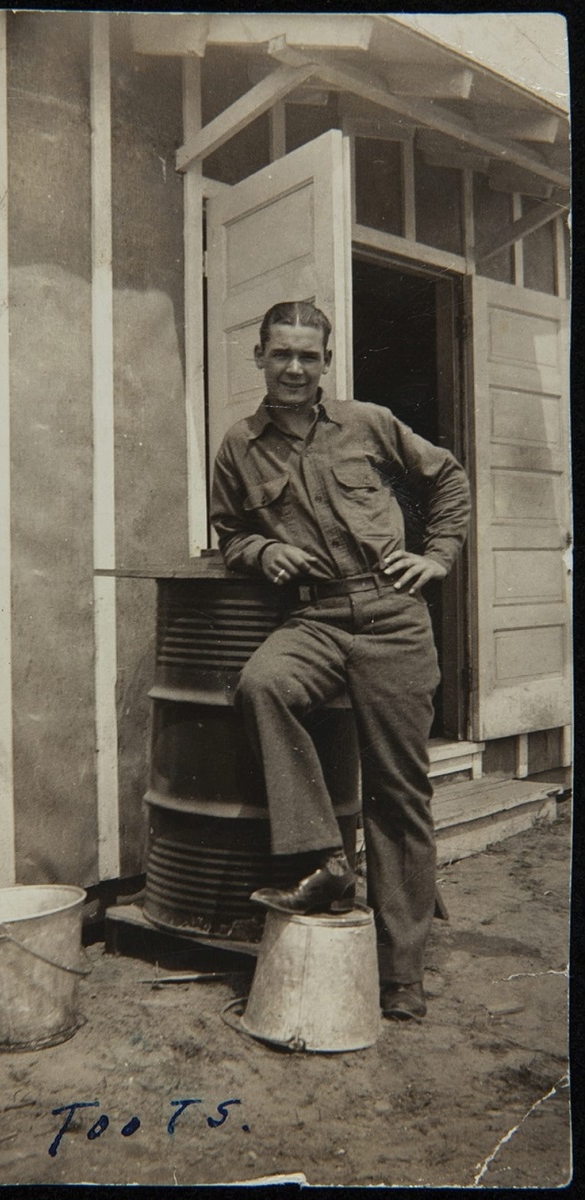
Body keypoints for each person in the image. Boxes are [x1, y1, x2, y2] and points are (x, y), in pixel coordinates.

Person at [210, 300, 471, 1021]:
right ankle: (325, 857)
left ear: (326, 361)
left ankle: (401, 975)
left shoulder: (369, 424)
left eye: (308, 355)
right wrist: (265, 550)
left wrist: (439, 556)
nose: (294, 368)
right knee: (262, 684)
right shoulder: (237, 446)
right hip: (314, 614)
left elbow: (447, 480)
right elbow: (230, 532)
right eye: (280, 354)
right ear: (258, 356)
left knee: (399, 793)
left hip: (391, 614)